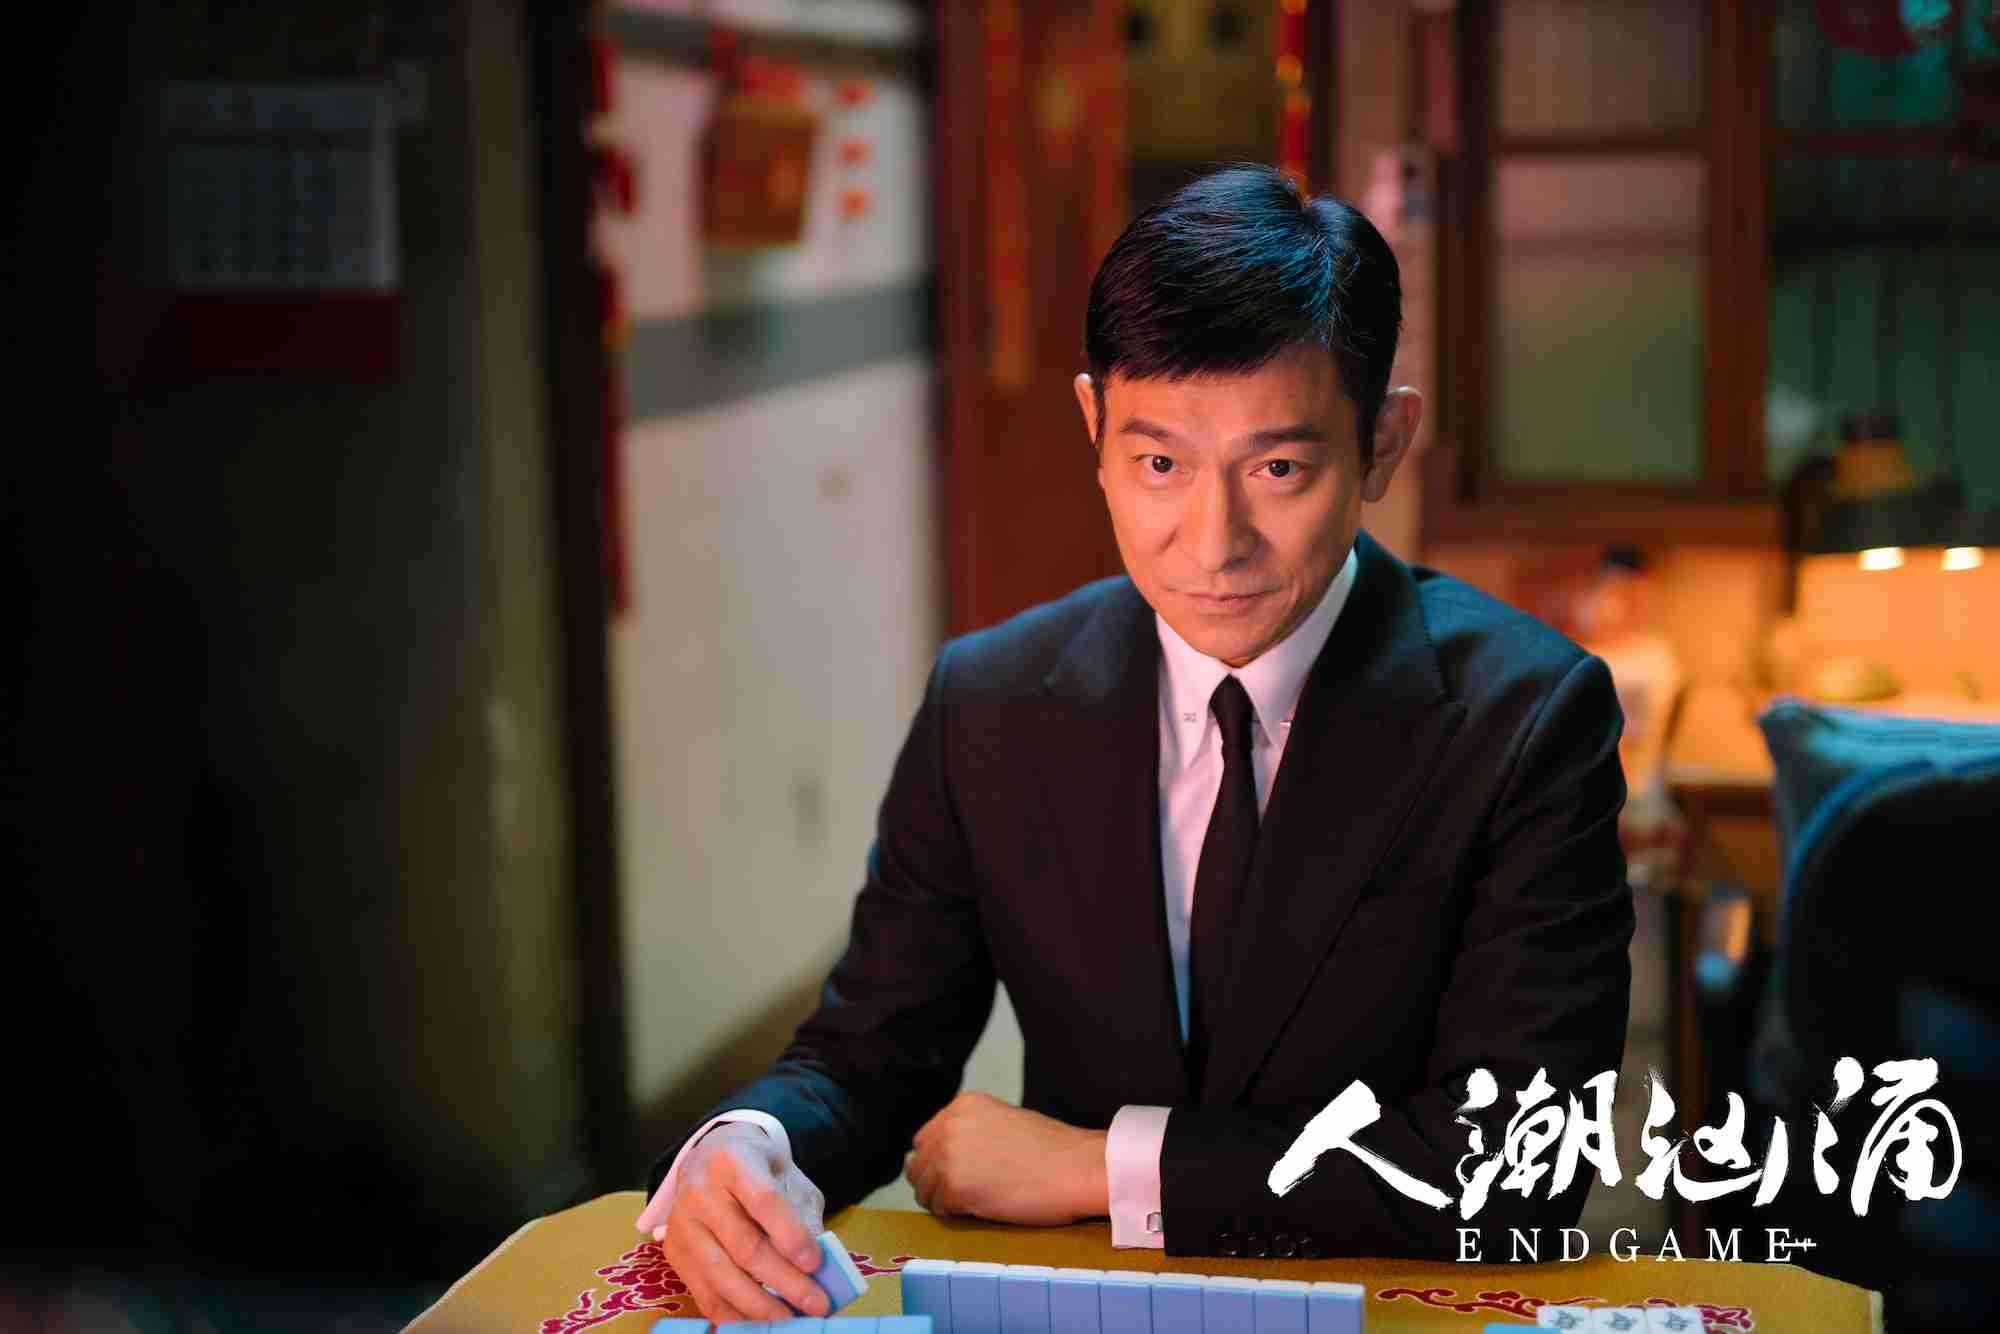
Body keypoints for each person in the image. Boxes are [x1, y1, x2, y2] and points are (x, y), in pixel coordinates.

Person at [634, 164, 1634, 1321]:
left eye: (1277, 469)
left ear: (1381, 444)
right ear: (1093, 429)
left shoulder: (1527, 717)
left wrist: (1099, 1165)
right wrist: (749, 1140)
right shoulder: (991, 702)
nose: (1211, 543)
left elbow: (1514, 1170)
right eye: (1158, 464)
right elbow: (867, 1054)